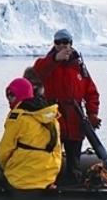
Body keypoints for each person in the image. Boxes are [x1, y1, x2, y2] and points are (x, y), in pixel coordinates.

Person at [32, 29, 101, 181]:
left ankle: (73, 192)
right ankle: (48, 188)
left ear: (71, 44)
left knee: (74, 161)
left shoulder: (79, 67)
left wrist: (92, 114)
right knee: (49, 158)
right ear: (54, 44)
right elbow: (38, 72)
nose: (62, 45)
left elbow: (91, 92)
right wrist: (55, 59)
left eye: (65, 42)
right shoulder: (46, 64)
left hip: (75, 119)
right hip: (53, 120)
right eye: (58, 42)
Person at [0, 77, 62, 190]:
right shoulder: (51, 117)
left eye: (12, 95)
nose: (9, 99)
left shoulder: (17, 118)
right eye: (8, 95)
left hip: (21, 179)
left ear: (21, 95)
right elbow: (57, 151)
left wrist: (6, 166)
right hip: (48, 177)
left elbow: (4, 151)